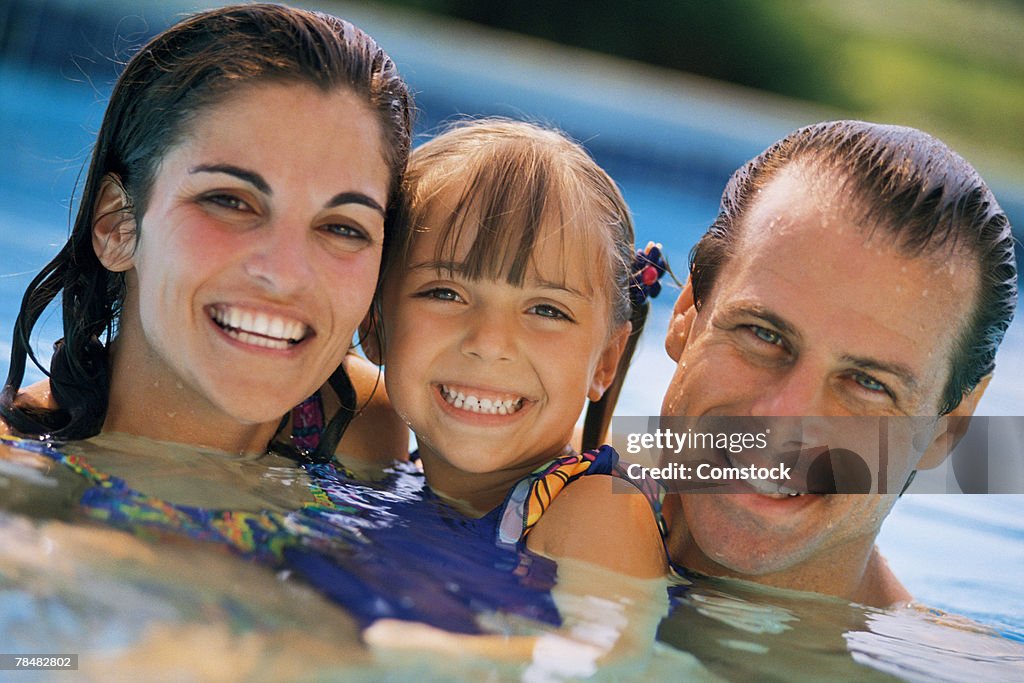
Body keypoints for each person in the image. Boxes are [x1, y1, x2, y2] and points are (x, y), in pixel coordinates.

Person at [0, 4, 412, 465]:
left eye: (342, 227)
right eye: (230, 201)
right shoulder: (16, 473)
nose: (285, 273)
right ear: (117, 224)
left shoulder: (362, 428)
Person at [660, 120, 1017, 607]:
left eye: (869, 383)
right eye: (764, 335)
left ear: (946, 428)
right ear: (686, 316)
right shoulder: (531, 489)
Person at [363, 118, 669, 576]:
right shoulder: (393, 469)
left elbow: (605, 647)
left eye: (546, 310)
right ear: (374, 323)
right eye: (446, 293)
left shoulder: (596, 512)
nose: (489, 343)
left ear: (606, 360)